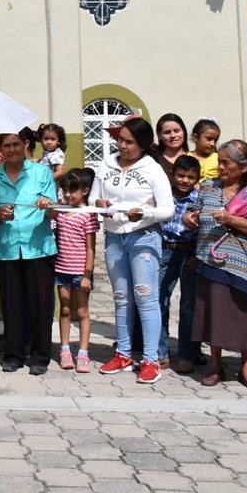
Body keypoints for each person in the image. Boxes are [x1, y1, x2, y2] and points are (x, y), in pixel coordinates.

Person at [93, 116, 174, 384]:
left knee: (145, 297)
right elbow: (95, 196)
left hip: (144, 237)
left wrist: (144, 213)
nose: (123, 146)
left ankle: (151, 359)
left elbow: (167, 209)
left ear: (142, 145)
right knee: (121, 297)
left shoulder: (153, 169)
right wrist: (100, 201)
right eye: (120, 140)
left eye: (129, 142)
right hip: (115, 237)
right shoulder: (106, 165)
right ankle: (123, 353)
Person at [187, 139, 247, 388]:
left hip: (245, 263)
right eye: (219, 162)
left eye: (226, 163)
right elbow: (194, 210)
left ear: (243, 167)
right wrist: (190, 217)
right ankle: (216, 366)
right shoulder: (208, 187)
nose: (220, 167)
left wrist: (231, 220)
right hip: (210, 261)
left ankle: (246, 367)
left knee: (244, 316)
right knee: (214, 315)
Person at [0, 132, 56, 374]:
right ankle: (13, 355)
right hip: (7, 250)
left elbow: (55, 212)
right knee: (12, 306)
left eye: (16, 144)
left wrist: (48, 206)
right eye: (7, 145)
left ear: (25, 146)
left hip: (39, 248)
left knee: (40, 305)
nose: (12, 149)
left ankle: (40, 356)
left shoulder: (41, 172)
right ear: (0, 150)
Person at [47, 167, 97, 373]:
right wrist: (44, 204)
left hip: (80, 272)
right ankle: (65, 349)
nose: (68, 195)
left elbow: (91, 247)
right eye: (65, 190)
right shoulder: (61, 212)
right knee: (65, 309)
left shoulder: (88, 215)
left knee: (82, 311)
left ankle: (83, 352)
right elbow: (48, 211)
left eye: (73, 191)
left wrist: (87, 275)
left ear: (84, 191)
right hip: (61, 269)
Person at [162, 156, 202, 374]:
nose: (185, 180)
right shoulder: (164, 196)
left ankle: (187, 353)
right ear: (173, 174)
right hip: (165, 251)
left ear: (197, 178)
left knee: (189, 306)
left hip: (189, 253)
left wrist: (197, 255)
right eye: (181, 175)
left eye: (190, 177)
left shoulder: (199, 199)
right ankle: (160, 352)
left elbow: (205, 230)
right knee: (160, 301)